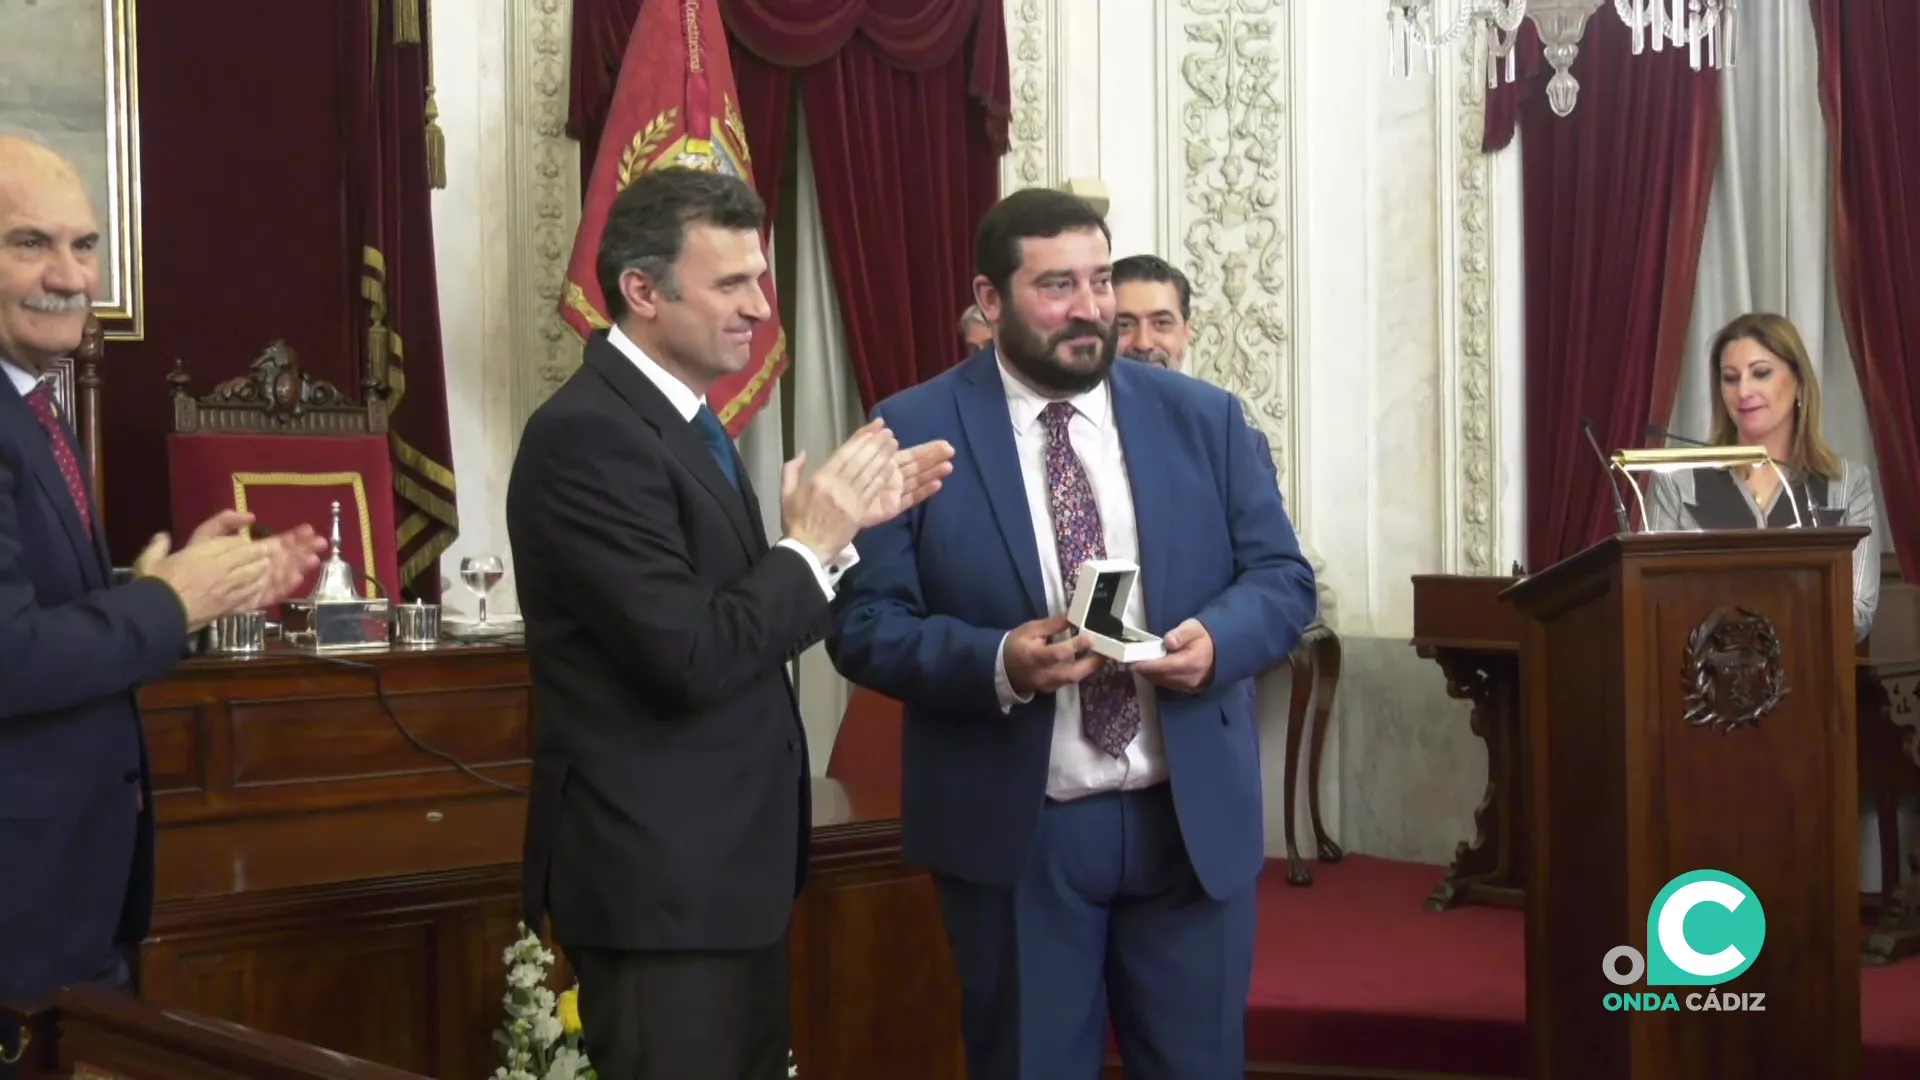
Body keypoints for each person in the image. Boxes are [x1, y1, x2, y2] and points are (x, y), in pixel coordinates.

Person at [827, 188, 1318, 1079]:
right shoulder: (911, 429)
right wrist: (999, 661)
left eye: (1098, 280)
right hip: (1020, 831)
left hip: (1186, 820)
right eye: (1057, 286)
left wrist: (1217, 640)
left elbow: (1284, 581)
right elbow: (863, 626)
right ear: (990, 299)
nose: (1090, 308)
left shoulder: (1201, 419)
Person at [505, 166, 953, 1080]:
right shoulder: (589, 437)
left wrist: (835, 541)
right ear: (641, 291)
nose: (760, 308)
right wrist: (808, 547)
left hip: (721, 876)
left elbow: (731, 617)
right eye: (731, 284)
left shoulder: (680, 422)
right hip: (659, 884)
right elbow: (691, 655)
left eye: (762, 280)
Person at [0, 136, 326, 1013]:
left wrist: (165, 586)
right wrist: (168, 599)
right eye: (29, 243)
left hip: (64, 893)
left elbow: (39, 599)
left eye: (85, 245)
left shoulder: (31, 398)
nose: (68, 277)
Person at [1646, 312, 1879, 642]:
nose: (1743, 390)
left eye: (1761, 373)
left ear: (1798, 380)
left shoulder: (1847, 485)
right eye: (1730, 377)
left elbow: (1857, 614)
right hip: (1703, 682)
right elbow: (1654, 604)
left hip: (1812, 679)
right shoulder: (1677, 484)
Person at [1112, 254, 1192, 373]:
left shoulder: (1209, 392)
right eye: (1124, 325)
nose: (1143, 344)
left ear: (1187, 332)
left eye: (1161, 323)